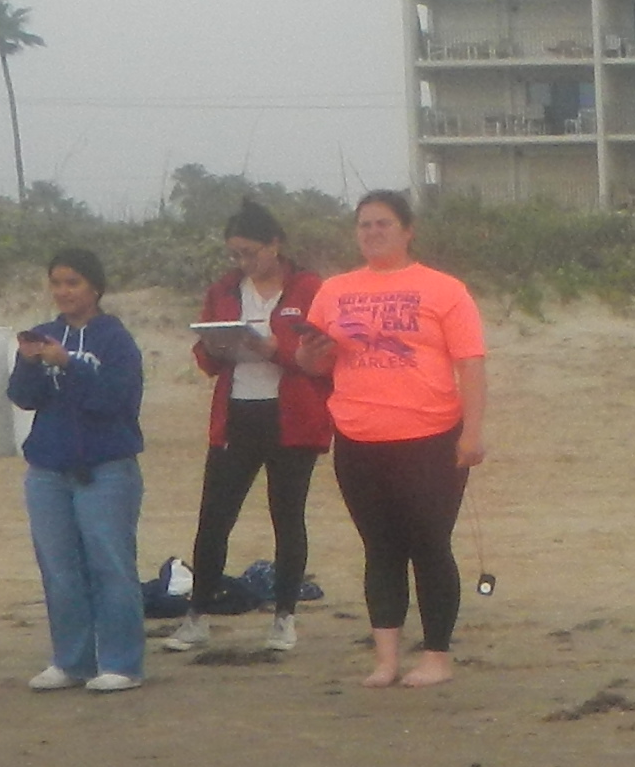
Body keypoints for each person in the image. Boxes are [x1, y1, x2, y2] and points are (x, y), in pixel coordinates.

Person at [299, 190, 488, 688]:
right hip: (359, 436)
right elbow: (312, 363)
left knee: (429, 544)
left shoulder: (445, 290)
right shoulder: (334, 291)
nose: (373, 233)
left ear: (408, 231)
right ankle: (385, 657)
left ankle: (436, 656)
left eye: (383, 224)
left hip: (429, 435)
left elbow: (470, 363)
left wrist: (472, 431)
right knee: (379, 547)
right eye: (364, 225)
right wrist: (310, 354)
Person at [178, 197, 334, 658]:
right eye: (235, 254)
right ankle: (197, 615)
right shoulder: (225, 289)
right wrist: (214, 346)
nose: (243, 263)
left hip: (291, 416)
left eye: (250, 252)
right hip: (237, 411)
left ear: (275, 245)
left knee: (287, 517)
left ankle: (284, 617)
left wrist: (273, 349)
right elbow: (205, 359)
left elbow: (322, 359)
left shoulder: (309, 288)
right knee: (214, 517)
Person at [4, 245, 148, 694]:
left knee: (110, 565)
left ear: (95, 287)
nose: (63, 291)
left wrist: (69, 366)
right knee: (59, 567)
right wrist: (29, 363)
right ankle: (72, 660)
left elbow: (116, 400)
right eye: (57, 283)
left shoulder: (114, 339)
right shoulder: (45, 333)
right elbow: (23, 397)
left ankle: (122, 662)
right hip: (48, 467)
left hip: (105, 467)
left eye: (73, 282)